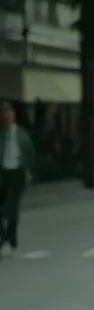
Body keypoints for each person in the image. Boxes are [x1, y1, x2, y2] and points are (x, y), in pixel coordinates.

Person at [0, 101, 35, 258]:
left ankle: (11, 242)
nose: (5, 117)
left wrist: (28, 171)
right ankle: (4, 240)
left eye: (8, 114)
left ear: (13, 116)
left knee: (12, 211)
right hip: (2, 174)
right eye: (3, 114)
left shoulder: (21, 135)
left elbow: (30, 153)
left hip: (17, 174)